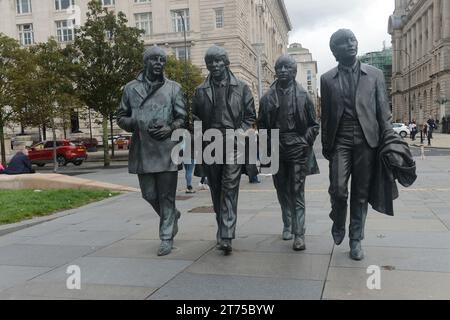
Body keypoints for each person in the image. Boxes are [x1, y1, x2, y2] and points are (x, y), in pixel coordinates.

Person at [321, 29, 393, 260]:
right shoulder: (327, 79)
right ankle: (338, 221)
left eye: (353, 40)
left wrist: (389, 139)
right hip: (340, 139)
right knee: (339, 190)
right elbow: (326, 116)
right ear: (335, 50)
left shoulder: (375, 74)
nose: (350, 44)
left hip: (366, 140)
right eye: (344, 42)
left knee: (360, 194)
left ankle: (355, 239)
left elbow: (383, 112)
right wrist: (326, 144)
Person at [116, 46, 187, 256]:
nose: (159, 63)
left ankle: (166, 237)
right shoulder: (130, 88)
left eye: (162, 60)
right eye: (154, 59)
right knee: (148, 194)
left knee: (166, 196)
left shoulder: (173, 88)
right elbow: (121, 116)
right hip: (142, 148)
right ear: (145, 62)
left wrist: (170, 128)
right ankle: (172, 215)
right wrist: (135, 121)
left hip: (166, 149)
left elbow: (182, 117)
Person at [192, 45, 256, 255]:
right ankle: (222, 227)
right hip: (210, 145)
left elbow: (250, 117)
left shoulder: (242, 87)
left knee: (229, 188)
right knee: (216, 189)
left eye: (218, 60)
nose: (215, 65)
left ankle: (227, 234)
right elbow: (195, 118)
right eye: (211, 61)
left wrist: (240, 133)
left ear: (226, 61)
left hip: (234, 144)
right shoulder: (200, 90)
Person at [258, 55, 320, 250]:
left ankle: (299, 232)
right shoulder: (267, 97)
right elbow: (262, 125)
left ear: (294, 72)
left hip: (297, 147)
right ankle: (287, 222)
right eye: (280, 67)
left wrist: (305, 141)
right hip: (276, 146)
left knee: (297, 190)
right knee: (281, 188)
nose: (283, 70)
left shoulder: (303, 95)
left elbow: (313, 124)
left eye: (287, 67)